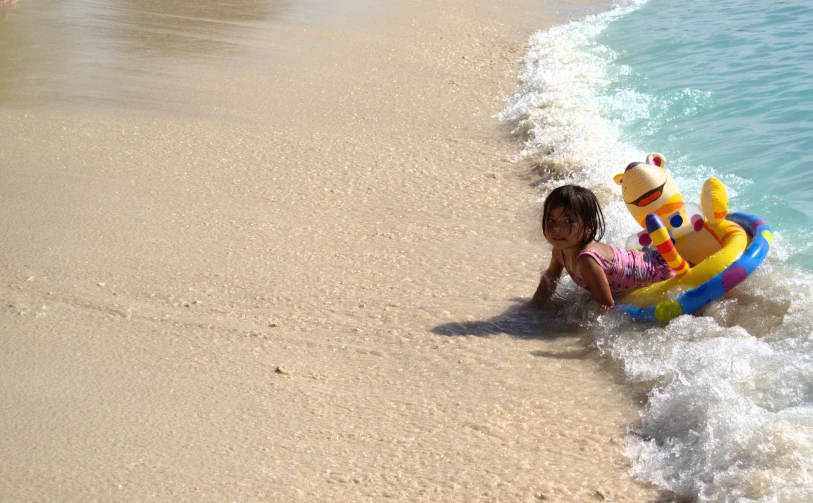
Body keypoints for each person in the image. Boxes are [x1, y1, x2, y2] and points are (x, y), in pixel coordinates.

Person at [530, 184, 675, 311]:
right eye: (551, 220)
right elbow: (550, 279)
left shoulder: (587, 259)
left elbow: (606, 305)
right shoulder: (559, 251)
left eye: (568, 221)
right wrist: (532, 308)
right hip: (644, 260)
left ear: (589, 226)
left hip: (660, 270)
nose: (556, 228)